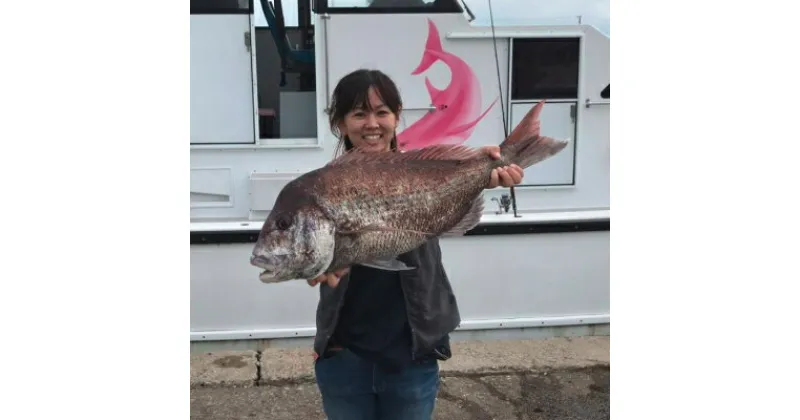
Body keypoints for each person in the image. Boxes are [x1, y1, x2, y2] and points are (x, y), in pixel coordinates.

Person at [308, 68, 526, 420]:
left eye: (382, 112)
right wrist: (316, 266)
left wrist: (486, 169)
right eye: (359, 113)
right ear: (340, 123)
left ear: (396, 116)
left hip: (413, 355)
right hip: (343, 355)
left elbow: (457, 186)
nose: (372, 123)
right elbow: (315, 255)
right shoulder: (324, 188)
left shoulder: (422, 169)